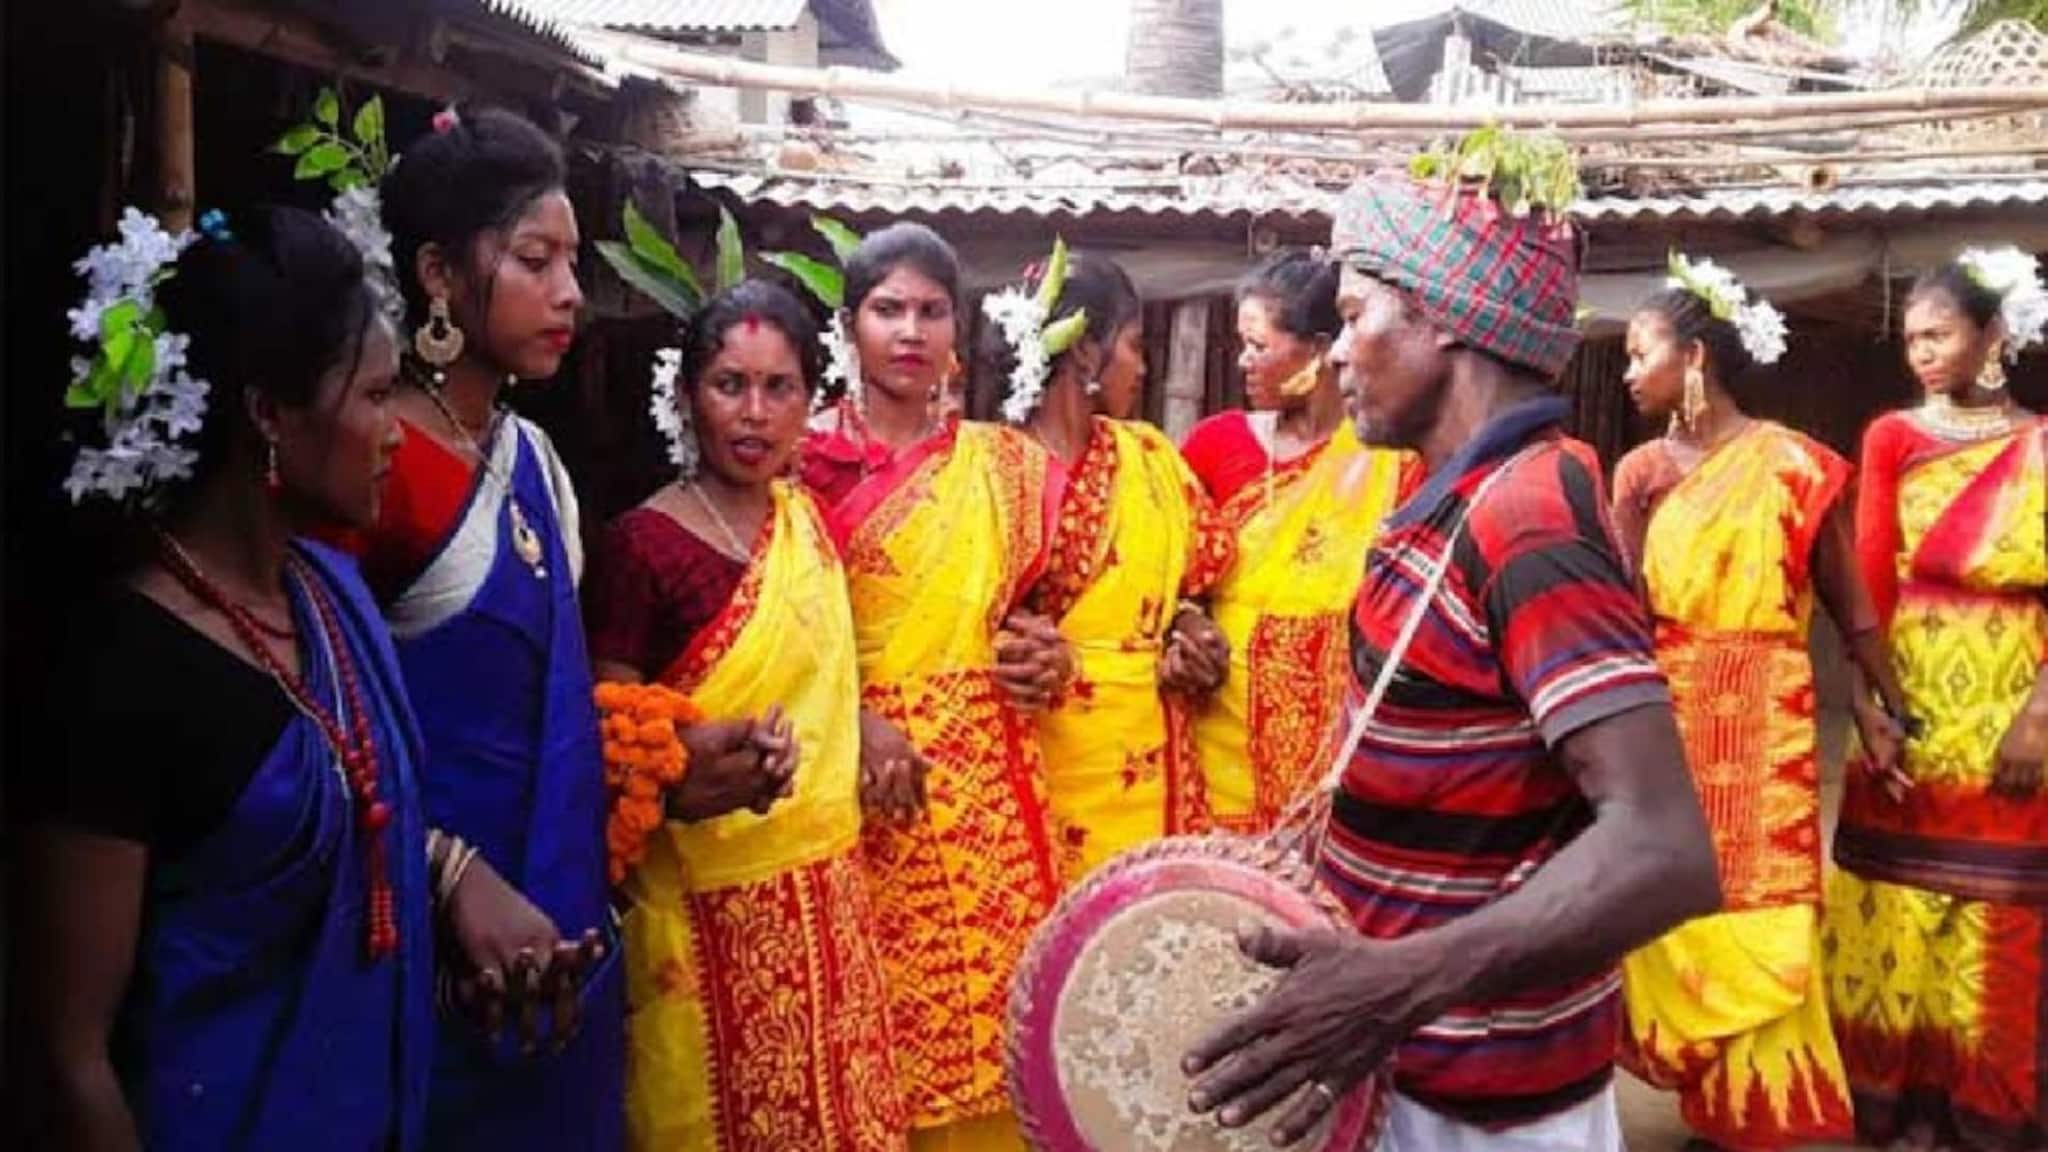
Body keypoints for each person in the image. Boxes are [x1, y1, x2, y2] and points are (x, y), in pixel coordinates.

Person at [1182, 142, 1721, 1151]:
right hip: (1415, 1073)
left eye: (1350, 318)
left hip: (1484, 1106)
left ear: (1442, 316)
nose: (1333, 354)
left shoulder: (1527, 515)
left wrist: (1393, 986)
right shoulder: (1456, 503)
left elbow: (1662, 850)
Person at [10, 206, 433, 1150]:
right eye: (373, 397)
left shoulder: (330, 599)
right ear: (267, 414)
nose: (396, 431)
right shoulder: (123, 670)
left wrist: (461, 882)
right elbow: (68, 1054)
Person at [585, 280, 908, 1151]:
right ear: (689, 394)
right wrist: (690, 763)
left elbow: (834, 678)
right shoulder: (642, 547)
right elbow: (610, 738)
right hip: (700, 920)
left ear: (812, 400)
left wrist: (870, 725)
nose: (754, 413)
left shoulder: (810, 527)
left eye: (779, 388)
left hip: (828, 900)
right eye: (730, 384)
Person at [1611, 258, 1908, 1149]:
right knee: (1674, 900)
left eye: (1639, 352)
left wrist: (1883, 707)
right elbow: (1622, 612)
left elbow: (1851, 606)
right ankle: (1705, 1088)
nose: (1627, 371)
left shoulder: (1793, 466)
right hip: (1669, 717)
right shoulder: (1639, 475)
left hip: (1768, 712)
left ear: (1694, 357)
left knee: (1765, 905)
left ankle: (1763, 1114)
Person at [369, 106, 619, 1149]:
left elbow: (556, 710)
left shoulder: (534, 464)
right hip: (417, 946)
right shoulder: (374, 464)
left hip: (557, 934)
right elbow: (318, 724)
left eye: (570, 262)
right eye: (533, 259)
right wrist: (446, 876)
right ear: (438, 274)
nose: (568, 292)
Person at [802, 222, 1070, 1150]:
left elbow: (1055, 613)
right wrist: (858, 721)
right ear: (849, 324)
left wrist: (1050, 654)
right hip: (855, 788)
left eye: (930, 311)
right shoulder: (795, 465)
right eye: (887, 310)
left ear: (958, 331)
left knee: (994, 1043)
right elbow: (773, 637)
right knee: (871, 1039)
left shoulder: (1008, 469)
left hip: (990, 792)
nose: (909, 331)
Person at [1825, 249, 2048, 1150]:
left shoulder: (2043, 446)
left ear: (1993, 336)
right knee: (1893, 910)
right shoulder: (1891, 437)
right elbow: (1865, 581)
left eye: (1940, 334)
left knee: (1999, 919)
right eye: (1911, 338)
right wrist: (1866, 704)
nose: (1921, 352)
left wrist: (2040, 714)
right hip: (1905, 702)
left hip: (2011, 706)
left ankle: (1982, 1118)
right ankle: (1901, 1113)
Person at [987, 247, 1234, 876]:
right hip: (1039, 769)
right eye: (1134, 345)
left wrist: (1189, 630)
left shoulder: (1149, 457)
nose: (1144, 368)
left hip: (1153, 772)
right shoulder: (989, 470)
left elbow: (1189, 587)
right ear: (1085, 353)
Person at [1179, 251, 1419, 834]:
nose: (1244, 361)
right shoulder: (1216, 446)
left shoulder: (1393, 464)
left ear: (1317, 350)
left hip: (1336, 753)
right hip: (1217, 742)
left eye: (1259, 345)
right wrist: (1185, 626)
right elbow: (1167, 581)